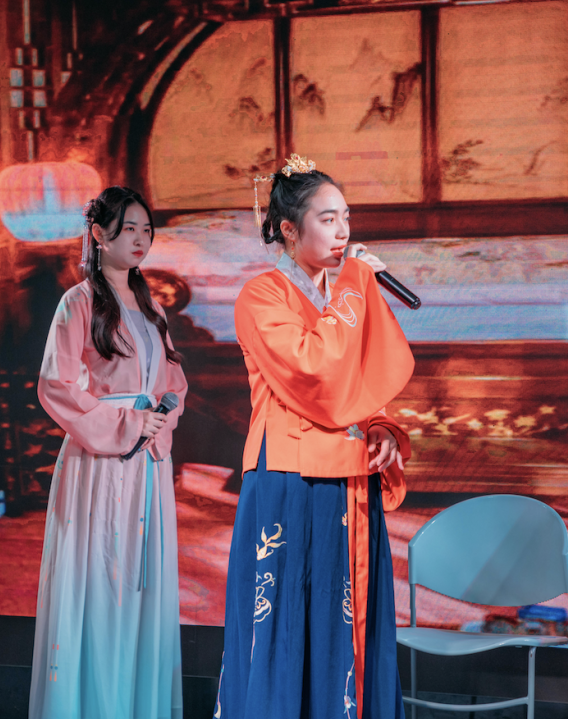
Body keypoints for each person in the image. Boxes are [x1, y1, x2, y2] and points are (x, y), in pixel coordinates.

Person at [215, 155, 415, 719]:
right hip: (289, 477)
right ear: (288, 229)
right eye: (327, 220)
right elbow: (316, 371)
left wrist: (379, 423)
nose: (343, 231)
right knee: (283, 625)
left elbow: (364, 375)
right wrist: (355, 285)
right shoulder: (262, 296)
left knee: (348, 624)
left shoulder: (346, 290)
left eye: (346, 217)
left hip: (350, 475)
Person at [29, 186, 188, 719]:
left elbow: (174, 382)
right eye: (128, 229)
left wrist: (160, 418)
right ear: (99, 234)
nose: (140, 239)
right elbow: (56, 384)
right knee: (100, 580)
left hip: (148, 461)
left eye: (146, 230)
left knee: (141, 586)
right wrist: (125, 423)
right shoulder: (78, 303)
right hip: (100, 460)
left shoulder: (152, 307)